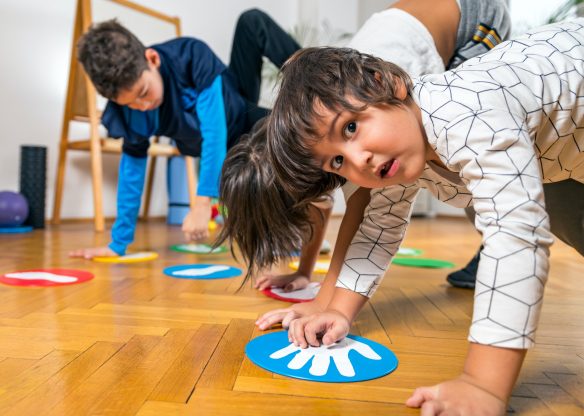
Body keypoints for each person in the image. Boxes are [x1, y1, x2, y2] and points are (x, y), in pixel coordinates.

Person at [261, 19, 584, 415]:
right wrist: (336, 310)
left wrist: (483, 384)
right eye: (338, 161)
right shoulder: (400, 145)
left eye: (350, 127)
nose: (358, 158)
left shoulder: (465, 111)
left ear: (387, 83)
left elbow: (516, 234)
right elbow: (377, 229)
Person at [217, 0, 511, 292]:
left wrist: (328, 295)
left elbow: (363, 211)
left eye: (350, 128)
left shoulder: (367, 107)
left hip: (474, 21)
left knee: (466, 151)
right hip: (419, 32)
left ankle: (501, 242)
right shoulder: (321, 147)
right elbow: (322, 206)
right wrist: (305, 274)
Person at [68, 9, 300, 259]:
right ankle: (291, 233)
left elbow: (214, 131)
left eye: (144, 92)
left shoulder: (190, 57)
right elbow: (132, 173)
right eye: (131, 103)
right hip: (231, 143)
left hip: (236, 108)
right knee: (285, 134)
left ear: (153, 59)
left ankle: (320, 86)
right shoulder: (130, 113)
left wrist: (202, 204)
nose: (142, 106)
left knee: (252, 21)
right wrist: (117, 244)